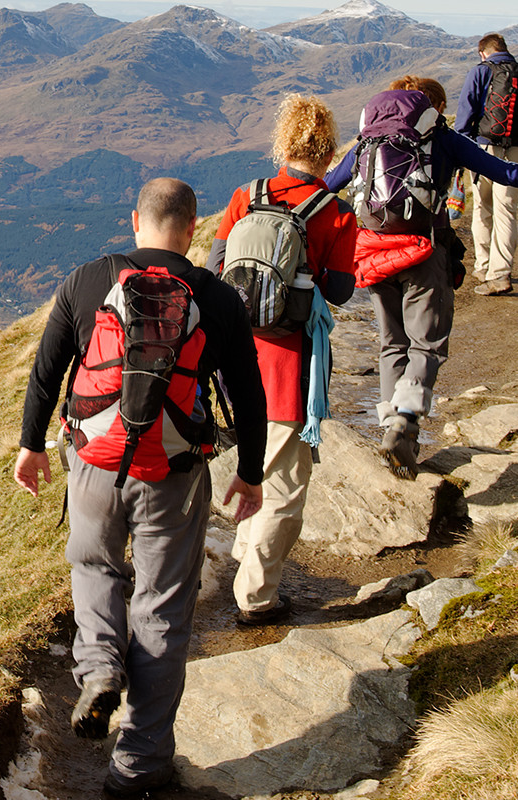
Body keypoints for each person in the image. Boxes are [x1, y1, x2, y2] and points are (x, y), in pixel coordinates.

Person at [13, 178, 267, 798]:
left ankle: (99, 668)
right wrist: (251, 472)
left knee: (94, 567)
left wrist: (31, 443)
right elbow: (248, 395)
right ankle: (139, 763)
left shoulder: (88, 280)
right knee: (162, 609)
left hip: (95, 464)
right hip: (173, 477)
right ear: (194, 227)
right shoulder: (215, 296)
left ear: (135, 221)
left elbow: (48, 369)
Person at [326, 76, 518, 479]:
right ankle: (404, 420)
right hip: (424, 252)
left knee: (392, 344)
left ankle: (390, 427)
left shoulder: (369, 142)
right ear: (433, 109)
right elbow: (509, 173)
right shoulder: (442, 138)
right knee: (427, 344)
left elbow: (327, 186)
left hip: (374, 252)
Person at [206, 94, 357, 626]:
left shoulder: (245, 195)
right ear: (328, 148)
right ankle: (257, 598)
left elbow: (215, 266)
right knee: (284, 490)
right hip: (291, 365)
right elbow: (339, 291)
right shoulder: (335, 212)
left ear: (283, 142)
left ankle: (246, 557)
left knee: (255, 461)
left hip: (235, 357)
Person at [455, 33, 518, 295]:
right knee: (507, 211)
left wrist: (462, 151)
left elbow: (465, 114)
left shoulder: (479, 72)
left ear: (483, 52)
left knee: (483, 208)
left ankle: (482, 267)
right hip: (516, 152)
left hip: (483, 148)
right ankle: (501, 274)